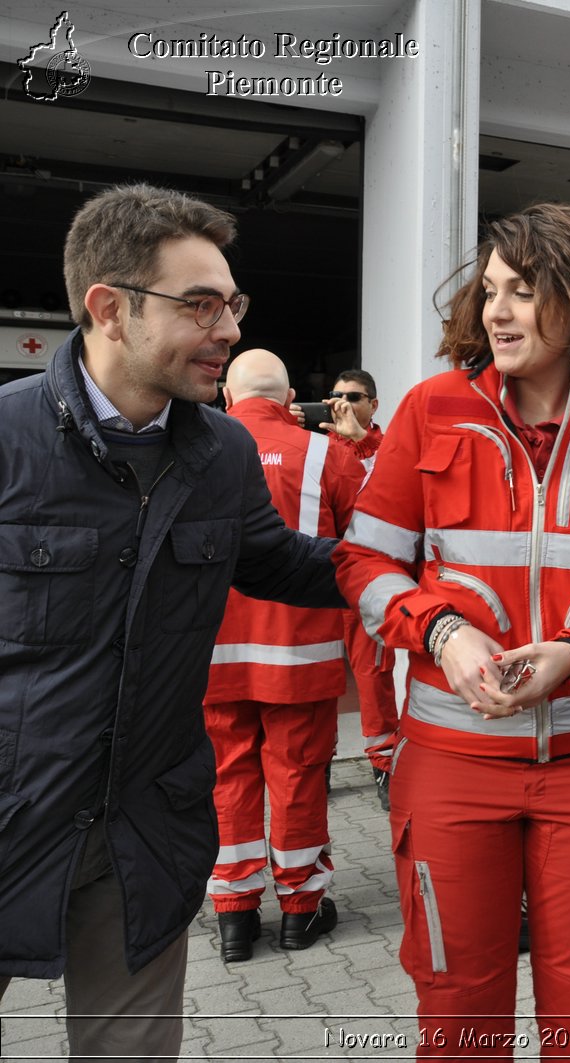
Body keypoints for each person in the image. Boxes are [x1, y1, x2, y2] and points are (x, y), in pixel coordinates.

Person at [335, 202, 570, 1058]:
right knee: (459, 1020)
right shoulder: (430, 414)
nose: (495, 311)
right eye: (491, 292)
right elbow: (363, 567)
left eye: (523, 291)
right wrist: (441, 634)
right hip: (449, 768)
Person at [0, 183, 343, 1059]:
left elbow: (282, 562)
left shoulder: (221, 450)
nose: (228, 328)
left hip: (145, 831)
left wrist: (421, 577)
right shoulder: (7, 439)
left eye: (233, 303)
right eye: (201, 305)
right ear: (109, 309)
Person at [204, 348, 365, 962]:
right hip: (300, 652)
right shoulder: (327, 453)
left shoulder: (195, 449)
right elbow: (366, 545)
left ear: (227, 397)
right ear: (291, 395)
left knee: (226, 780)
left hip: (214, 655)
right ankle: (301, 910)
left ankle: (234, 917)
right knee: (297, 777)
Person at [324, 367, 403, 808]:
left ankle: (384, 766)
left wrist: (361, 440)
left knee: (374, 678)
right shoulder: (316, 446)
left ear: (374, 403)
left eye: (354, 396)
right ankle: (319, 764)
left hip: (367, 582)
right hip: (318, 579)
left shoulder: (387, 448)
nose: (344, 403)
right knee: (320, 678)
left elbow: (391, 493)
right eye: (335, 395)